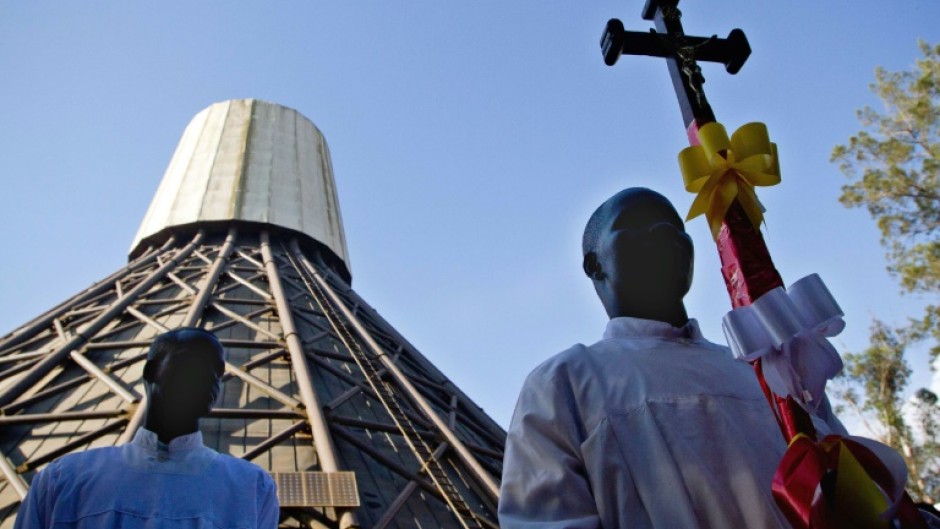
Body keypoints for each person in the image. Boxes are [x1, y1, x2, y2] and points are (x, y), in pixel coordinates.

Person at [498, 187, 847, 528]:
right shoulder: (565, 383)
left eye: (676, 228)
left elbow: (855, 491)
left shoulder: (769, 371)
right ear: (595, 264)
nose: (666, 235)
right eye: (638, 225)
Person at [14, 327, 279, 529]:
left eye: (217, 373)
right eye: (192, 363)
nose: (209, 378)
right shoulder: (64, 480)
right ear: (151, 371)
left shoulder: (252, 488)